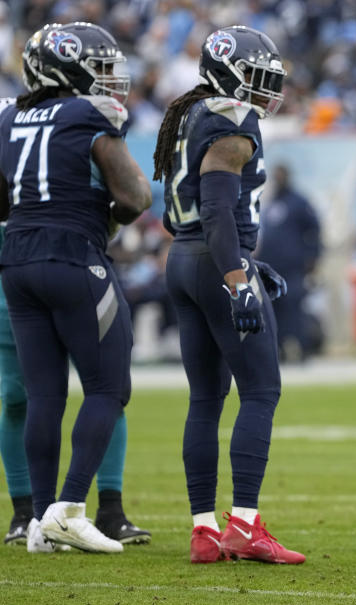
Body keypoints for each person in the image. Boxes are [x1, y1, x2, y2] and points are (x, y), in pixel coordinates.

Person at [154, 26, 303, 565]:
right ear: (229, 73)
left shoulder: (188, 113)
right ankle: (243, 524)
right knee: (261, 391)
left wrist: (243, 259)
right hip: (217, 263)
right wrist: (239, 276)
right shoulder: (230, 120)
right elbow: (217, 209)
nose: (267, 89)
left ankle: (203, 530)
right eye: (259, 77)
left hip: (185, 261)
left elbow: (202, 212)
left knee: (205, 400)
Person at [0, 22, 152, 553]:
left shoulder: (9, 116)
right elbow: (135, 198)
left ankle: (41, 523)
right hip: (73, 257)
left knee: (44, 393)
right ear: (69, 67)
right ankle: (68, 508)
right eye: (100, 65)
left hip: (16, 261)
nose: (110, 78)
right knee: (110, 387)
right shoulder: (90, 114)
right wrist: (99, 217)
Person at [257, 163, 322, 362]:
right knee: (272, 310)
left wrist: (312, 256)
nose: (278, 179)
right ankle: (278, 350)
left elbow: (315, 230)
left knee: (293, 308)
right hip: (270, 268)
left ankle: (301, 350)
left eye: (281, 175)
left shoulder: (299, 202)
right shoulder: (270, 203)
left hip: (293, 267)